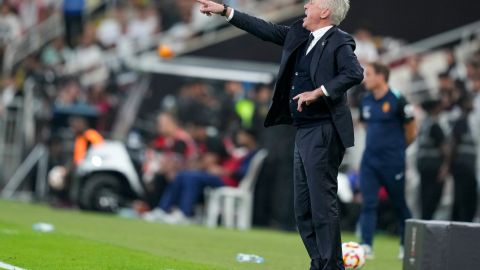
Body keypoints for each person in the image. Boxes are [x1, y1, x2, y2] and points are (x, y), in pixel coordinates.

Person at [196, 1, 364, 269]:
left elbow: (354, 73)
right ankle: (319, 262)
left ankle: (332, 266)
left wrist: (318, 91)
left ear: (325, 12)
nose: (306, 4)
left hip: (324, 128)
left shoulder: (339, 41)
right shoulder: (300, 34)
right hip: (304, 129)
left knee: (321, 203)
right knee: (303, 207)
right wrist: (225, 11)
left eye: (313, 2)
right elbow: (265, 29)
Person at [358, 62, 416, 259]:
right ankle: (366, 245)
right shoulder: (365, 100)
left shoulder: (398, 99)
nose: (365, 79)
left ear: (381, 76)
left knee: (399, 203)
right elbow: (368, 128)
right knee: (368, 203)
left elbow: (411, 130)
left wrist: (398, 149)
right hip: (370, 161)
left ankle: (406, 245)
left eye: (369, 74)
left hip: (392, 162)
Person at [143, 128, 259, 224]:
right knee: (183, 174)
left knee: (193, 177)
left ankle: (185, 213)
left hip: (228, 181)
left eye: (243, 135)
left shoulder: (252, 154)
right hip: (219, 176)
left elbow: (242, 173)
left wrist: (221, 171)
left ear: (250, 138)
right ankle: (163, 209)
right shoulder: (238, 150)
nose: (239, 137)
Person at [444, 94, 478, 222]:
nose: (473, 105)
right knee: (464, 197)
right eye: (470, 102)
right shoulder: (461, 121)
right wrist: (447, 165)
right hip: (462, 167)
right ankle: (462, 224)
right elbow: (454, 145)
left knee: (463, 197)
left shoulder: (467, 121)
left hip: (466, 166)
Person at [416, 100, 447, 220]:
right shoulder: (435, 125)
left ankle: (424, 220)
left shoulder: (424, 125)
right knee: (433, 197)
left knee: (424, 197)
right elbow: (444, 148)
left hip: (423, 166)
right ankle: (428, 222)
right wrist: (445, 167)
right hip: (434, 167)